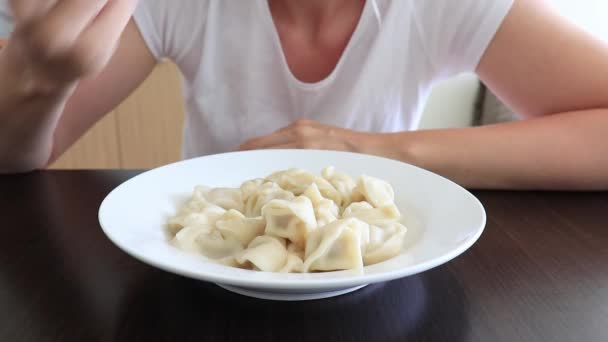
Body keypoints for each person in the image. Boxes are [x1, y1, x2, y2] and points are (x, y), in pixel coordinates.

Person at [0, 0, 607, 190]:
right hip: (203, 281)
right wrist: (35, 79)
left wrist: (379, 151)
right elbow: (18, 155)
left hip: (384, 280)